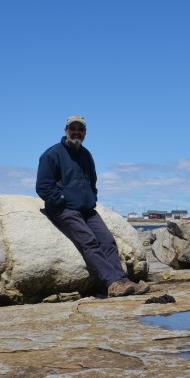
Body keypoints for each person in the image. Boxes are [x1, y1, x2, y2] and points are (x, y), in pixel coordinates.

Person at [36, 115, 147, 297]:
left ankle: (124, 281)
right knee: (89, 242)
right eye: (73, 128)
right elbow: (42, 186)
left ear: (85, 132)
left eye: (80, 129)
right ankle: (112, 283)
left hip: (87, 209)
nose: (76, 132)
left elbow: (92, 182)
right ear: (66, 130)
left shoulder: (86, 155)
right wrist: (63, 199)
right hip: (64, 210)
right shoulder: (52, 154)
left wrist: (91, 198)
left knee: (108, 241)